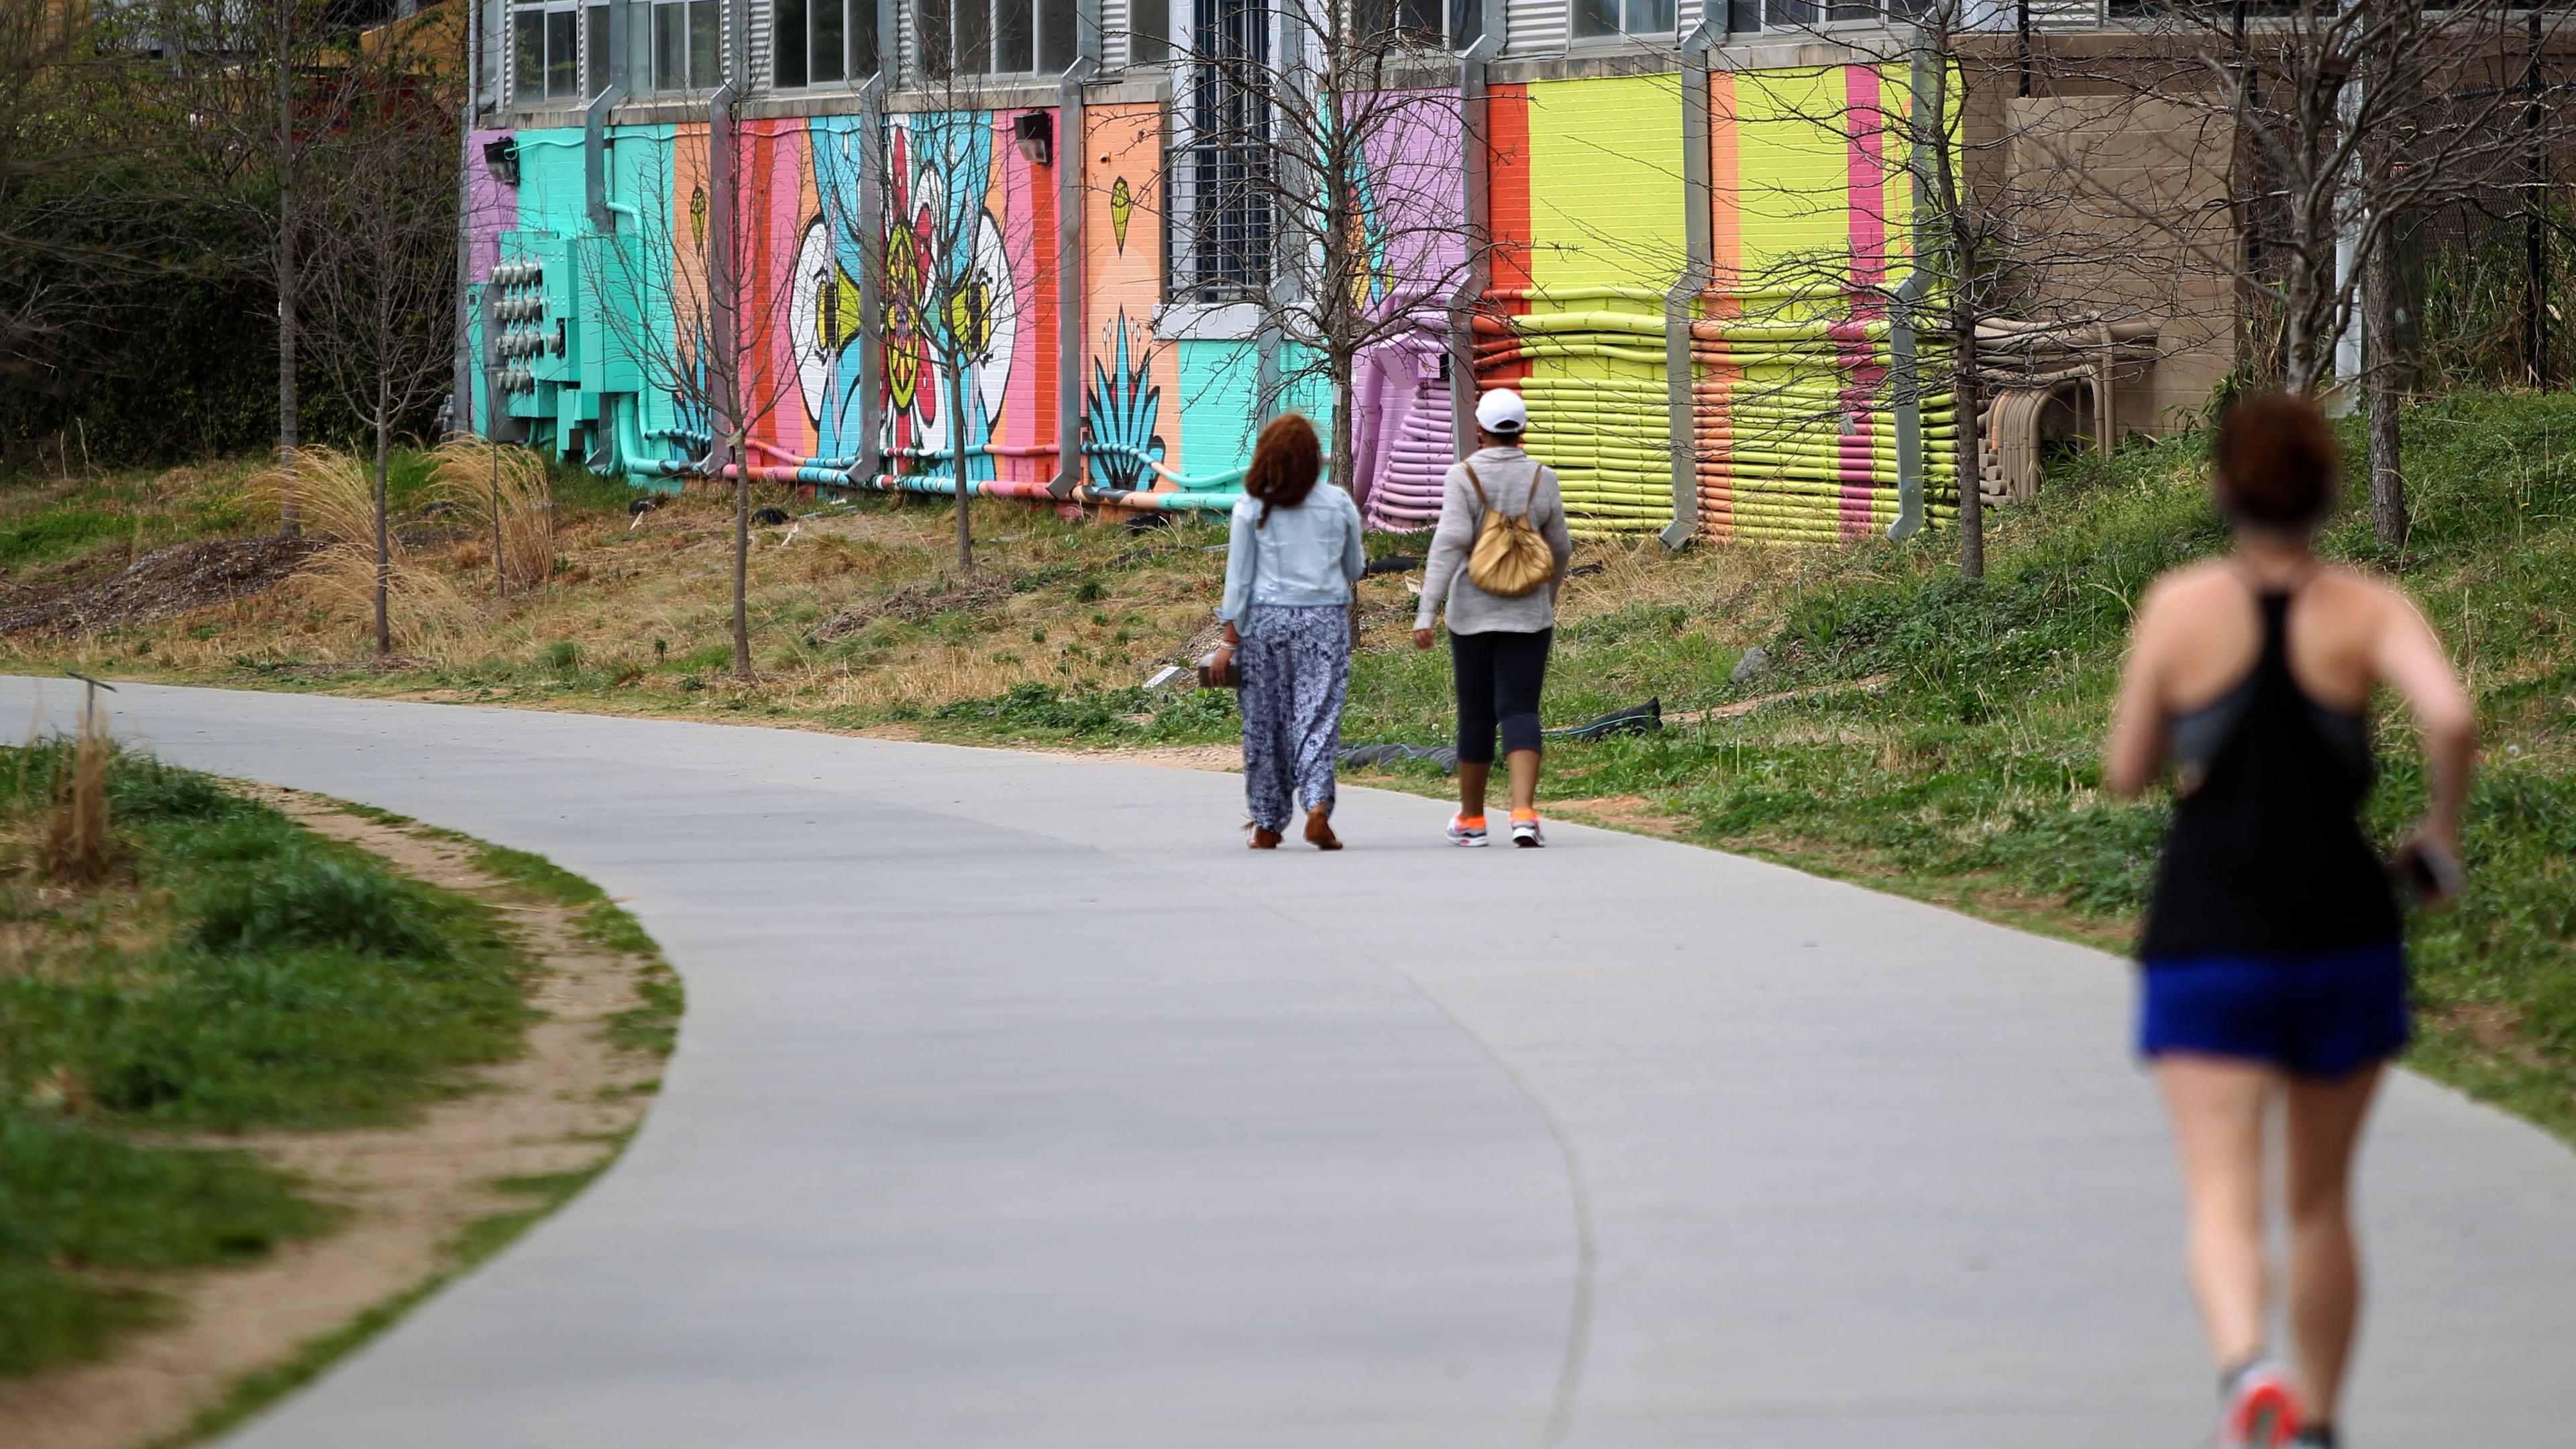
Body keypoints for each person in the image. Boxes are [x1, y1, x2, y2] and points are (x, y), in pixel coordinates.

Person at [2103, 393, 2475, 1449]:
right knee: (2318, 1203)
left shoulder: (2179, 607)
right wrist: (2435, 836)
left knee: (2222, 1203)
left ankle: (2247, 1370)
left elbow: (2128, 773)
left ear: (2224, 491)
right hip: (2344, 938)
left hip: (2209, 934)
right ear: (2327, 495)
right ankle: (2313, 1423)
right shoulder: (2369, 608)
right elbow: (2451, 715)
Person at [1412, 388, 1572, 847]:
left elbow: (1449, 543)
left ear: (1480, 429)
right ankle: (1524, 815)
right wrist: (1548, 595)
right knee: (1521, 708)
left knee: (1477, 714)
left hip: (1471, 615)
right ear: (1521, 431)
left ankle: (1473, 820)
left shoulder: (1462, 476)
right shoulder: (1543, 477)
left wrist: (1427, 612)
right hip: (1529, 614)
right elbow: (1560, 546)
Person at [1219, 413, 1368, 850]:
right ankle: (1318, 808)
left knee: (1264, 722)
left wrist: (1229, 641)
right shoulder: (1337, 502)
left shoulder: (1251, 506)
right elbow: (1354, 568)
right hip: (1325, 621)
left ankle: (1267, 825)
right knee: (1318, 715)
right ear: (1312, 460)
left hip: (1265, 621)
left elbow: (1239, 580)